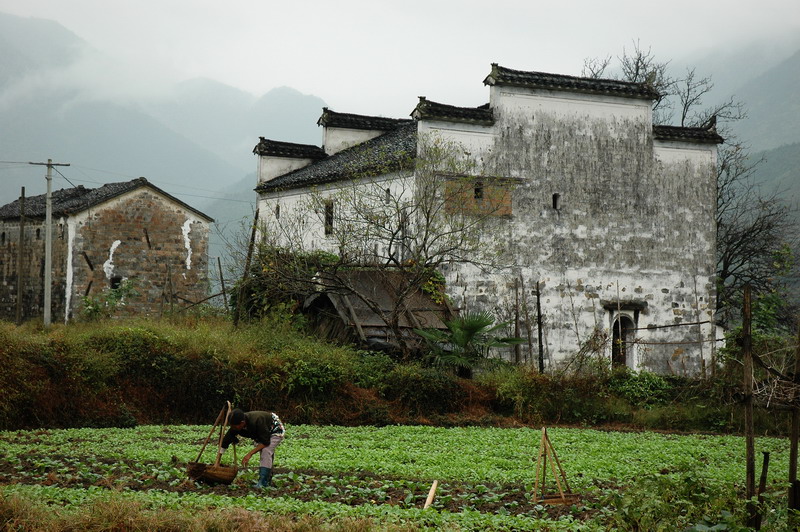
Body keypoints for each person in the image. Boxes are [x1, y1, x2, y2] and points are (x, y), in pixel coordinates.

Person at [220, 408, 285, 488]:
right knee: (266, 453)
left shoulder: (257, 420)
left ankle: (263, 482)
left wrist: (249, 454)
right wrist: (218, 460)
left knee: (266, 450)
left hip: (275, 428)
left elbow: (265, 442)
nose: (233, 428)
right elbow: (225, 441)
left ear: (242, 423)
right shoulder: (236, 426)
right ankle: (267, 479)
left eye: (235, 427)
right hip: (262, 432)